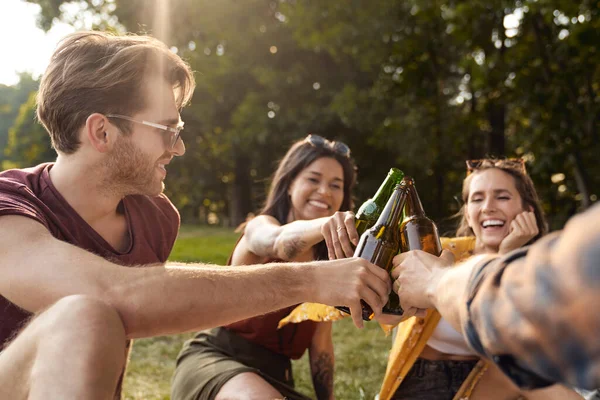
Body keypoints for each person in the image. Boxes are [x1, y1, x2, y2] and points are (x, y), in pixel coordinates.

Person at [0, 31, 392, 400]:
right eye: (167, 129)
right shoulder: (9, 204)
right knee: (83, 315)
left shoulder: (155, 218)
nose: (180, 147)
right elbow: (110, 294)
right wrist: (310, 281)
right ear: (102, 132)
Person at [171, 134, 359, 400]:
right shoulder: (260, 227)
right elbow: (279, 242)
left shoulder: (330, 260)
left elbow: (321, 345)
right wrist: (327, 225)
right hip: (217, 359)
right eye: (313, 179)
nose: (325, 191)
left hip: (274, 378)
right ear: (290, 184)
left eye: (336, 185)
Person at [392, 200, 600, 393]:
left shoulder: (543, 266)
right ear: (467, 212)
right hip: (428, 382)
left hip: (495, 382)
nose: (488, 207)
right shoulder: (438, 250)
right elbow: (389, 314)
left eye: (502, 196)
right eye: (477, 199)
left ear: (527, 212)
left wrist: (506, 254)